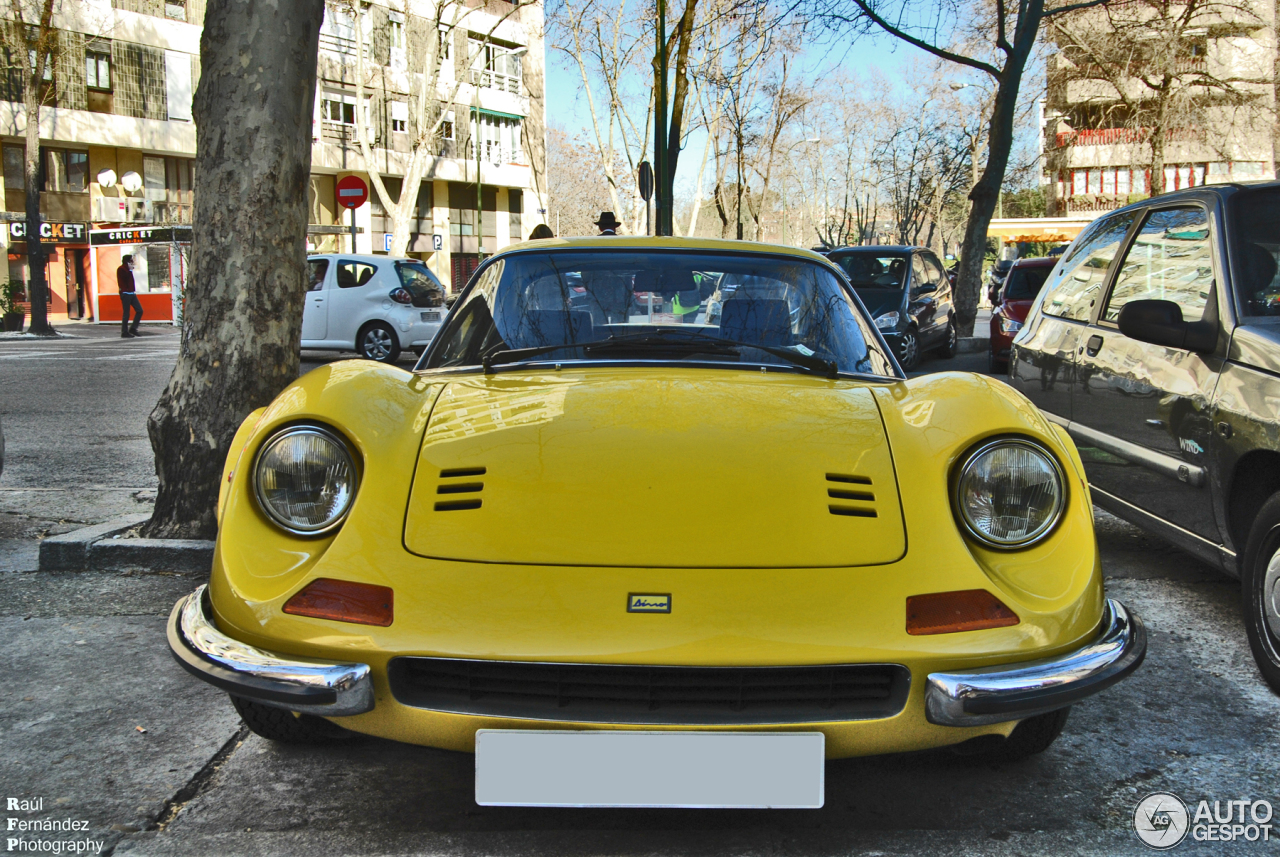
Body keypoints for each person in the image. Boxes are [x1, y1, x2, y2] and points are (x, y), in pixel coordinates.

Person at [117, 254, 142, 338]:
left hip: (131, 293)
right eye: (131, 260)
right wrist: (130, 271)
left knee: (140, 310)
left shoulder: (128, 269)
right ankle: (124, 332)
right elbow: (125, 279)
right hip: (125, 293)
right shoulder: (121, 269)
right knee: (126, 313)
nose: (133, 261)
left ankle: (133, 328)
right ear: (127, 261)